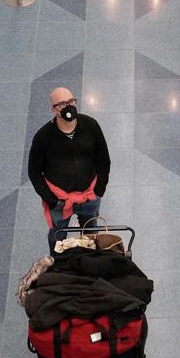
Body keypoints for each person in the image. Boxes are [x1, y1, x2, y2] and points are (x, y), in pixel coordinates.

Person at [27, 87, 111, 251]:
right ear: (53, 109)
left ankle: (89, 258)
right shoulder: (43, 137)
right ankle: (57, 260)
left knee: (91, 232)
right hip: (59, 201)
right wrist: (51, 200)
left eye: (71, 101)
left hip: (89, 196)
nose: (69, 106)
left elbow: (104, 159)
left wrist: (99, 190)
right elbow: (34, 172)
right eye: (62, 104)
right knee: (58, 234)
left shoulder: (91, 126)